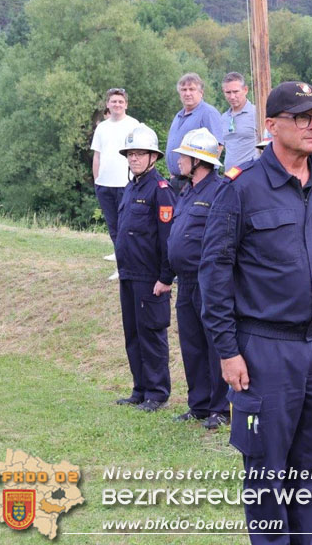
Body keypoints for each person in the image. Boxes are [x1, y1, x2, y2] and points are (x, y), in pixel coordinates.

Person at [199, 81, 312, 543]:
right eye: (302, 117)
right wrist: (227, 350)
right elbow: (214, 272)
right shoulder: (241, 188)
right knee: (265, 472)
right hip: (265, 352)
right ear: (271, 125)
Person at [167, 128, 229, 429]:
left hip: (210, 282)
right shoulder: (186, 190)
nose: (179, 160)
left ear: (199, 160)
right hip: (186, 281)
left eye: (185, 156)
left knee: (214, 344)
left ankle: (220, 407)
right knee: (191, 344)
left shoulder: (219, 191)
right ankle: (199, 404)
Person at [114, 124, 176, 412]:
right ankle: (139, 388)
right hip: (129, 273)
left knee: (151, 335)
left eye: (140, 154)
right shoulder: (131, 187)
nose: (134, 159)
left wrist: (165, 277)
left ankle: (157, 392)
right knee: (133, 335)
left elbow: (168, 238)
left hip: (150, 277)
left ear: (153, 157)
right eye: (130, 154)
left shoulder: (161, 190)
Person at [91, 87, 140, 270]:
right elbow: (97, 155)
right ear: (108, 104)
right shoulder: (102, 128)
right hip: (104, 184)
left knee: (127, 226)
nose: (117, 104)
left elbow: (141, 154)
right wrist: (97, 180)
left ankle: (131, 264)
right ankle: (121, 264)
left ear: (126, 104)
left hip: (126, 183)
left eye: (120, 101)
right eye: (114, 101)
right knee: (113, 227)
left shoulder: (134, 125)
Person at [165, 73, 223, 194]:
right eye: (183, 90)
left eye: (192, 89)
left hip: (196, 182)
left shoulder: (208, 113)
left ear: (201, 92)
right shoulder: (178, 115)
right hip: (177, 180)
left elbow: (218, 146)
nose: (187, 93)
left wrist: (203, 177)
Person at [221, 72, 258, 168]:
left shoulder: (257, 114)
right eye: (228, 93)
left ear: (245, 90)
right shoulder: (224, 118)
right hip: (229, 177)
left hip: (251, 175)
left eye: (235, 92)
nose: (232, 97)